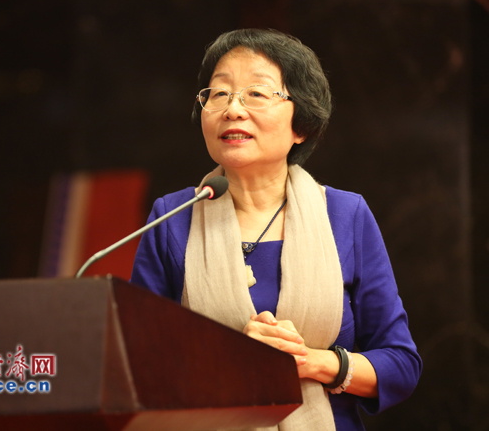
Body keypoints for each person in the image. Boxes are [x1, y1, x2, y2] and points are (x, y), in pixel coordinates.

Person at [131, 29, 422, 431]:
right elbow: (138, 366)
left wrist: (313, 362)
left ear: (300, 124)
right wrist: (228, 359)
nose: (233, 109)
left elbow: (401, 365)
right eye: (219, 93)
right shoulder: (173, 217)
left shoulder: (345, 215)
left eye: (256, 93)